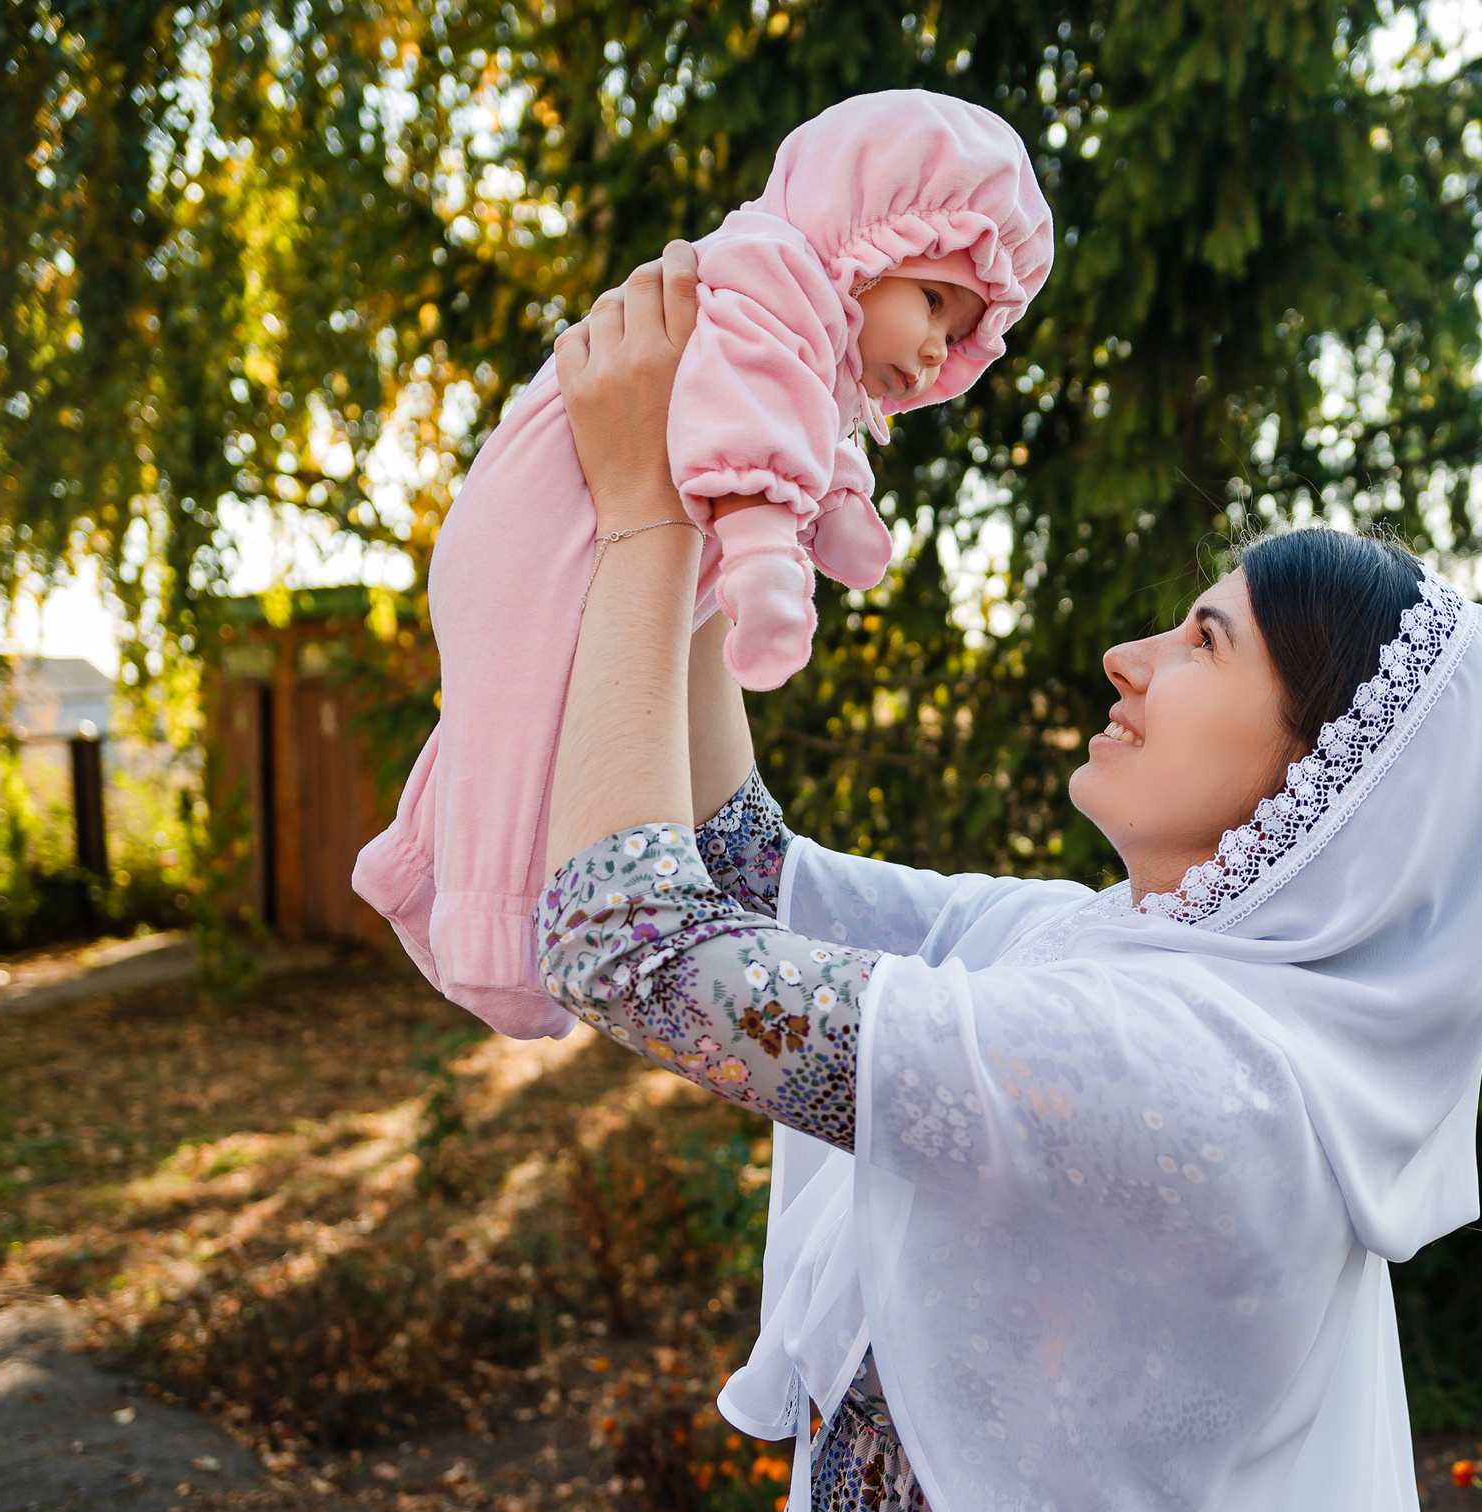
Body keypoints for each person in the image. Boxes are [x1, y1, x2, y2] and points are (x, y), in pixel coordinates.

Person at [537, 246, 1482, 1512]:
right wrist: (699, 506)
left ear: (1330, 778)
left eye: (1204, 640)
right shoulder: (1097, 952)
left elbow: (632, 946)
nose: (1130, 657)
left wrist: (634, 525)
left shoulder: (1185, 1064)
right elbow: (743, 876)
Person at [354, 90, 1054, 1039]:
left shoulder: (805, 341)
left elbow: (790, 428)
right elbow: (746, 434)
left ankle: (413, 856)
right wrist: (772, 562)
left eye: (958, 330)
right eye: (931, 300)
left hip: (604, 522)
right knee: (522, 735)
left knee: (531, 726)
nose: (938, 349)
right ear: (869, 244)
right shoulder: (770, 283)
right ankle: (485, 936)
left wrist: (834, 494)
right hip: (546, 529)